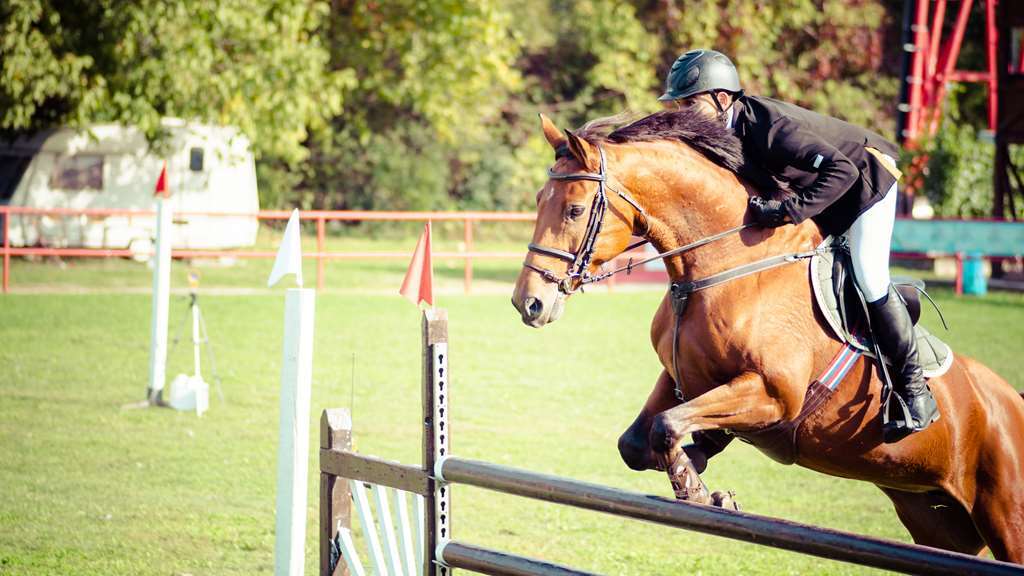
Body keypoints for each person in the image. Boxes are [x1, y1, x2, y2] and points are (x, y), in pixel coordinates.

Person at [659, 49, 939, 445]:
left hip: (867, 178)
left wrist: (786, 212)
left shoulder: (770, 126)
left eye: (691, 103)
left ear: (723, 98)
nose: (684, 113)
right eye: (678, 104)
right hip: (826, 189)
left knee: (869, 276)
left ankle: (915, 393)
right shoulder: (724, 134)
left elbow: (841, 170)